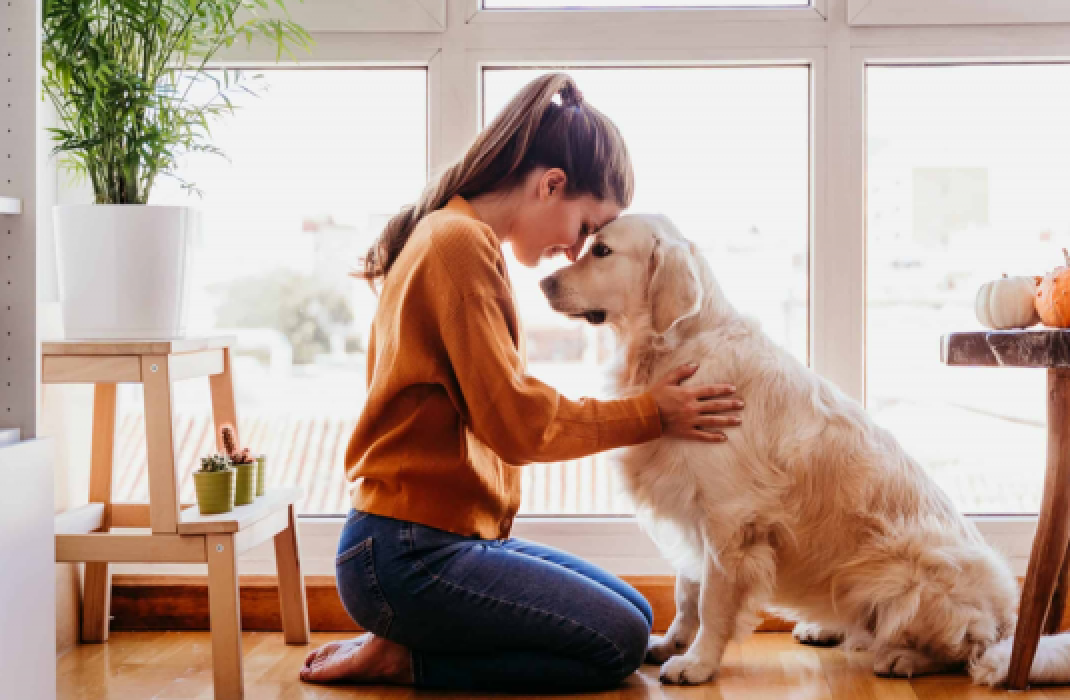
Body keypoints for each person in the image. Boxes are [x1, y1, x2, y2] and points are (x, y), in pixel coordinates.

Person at [298, 72, 742, 692]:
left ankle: (407, 635)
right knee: (615, 643)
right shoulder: (457, 246)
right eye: (585, 227)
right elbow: (518, 425)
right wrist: (654, 413)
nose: (574, 251)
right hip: (405, 554)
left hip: (436, 542)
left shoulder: (458, 235)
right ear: (551, 184)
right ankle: (406, 657)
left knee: (637, 619)